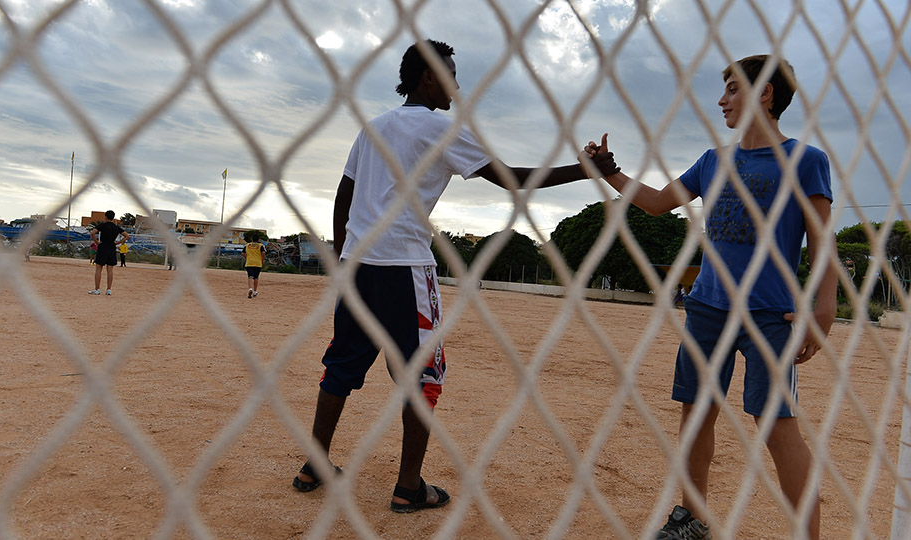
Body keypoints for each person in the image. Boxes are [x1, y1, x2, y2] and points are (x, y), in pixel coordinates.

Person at [292, 39, 610, 513]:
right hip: (405, 269)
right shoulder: (442, 130)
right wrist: (586, 169)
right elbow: (513, 179)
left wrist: (344, 257)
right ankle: (408, 487)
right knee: (422, 374)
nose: (457, 88)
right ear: (428, 77)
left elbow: (344, 195)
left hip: (359, 266)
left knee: (341, 363)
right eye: (452, 77)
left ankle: (314, 464)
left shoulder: (373, 127)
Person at [589, 55, 836, 539]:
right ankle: (692, 521)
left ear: (764, 93)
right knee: (697, 411)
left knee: (776, 423)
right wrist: (609, 172)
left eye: (731, 89)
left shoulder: (805, 161)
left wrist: (822, 310)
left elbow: (820, 241)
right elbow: (659, 203)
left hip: (769, 313)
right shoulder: (713, 161)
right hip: (708, 307)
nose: (721, 100)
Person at [88, 211, 129, 295]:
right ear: (113, 217)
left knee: (99, 268)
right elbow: (127, 236)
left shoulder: (102, 225)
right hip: (112, 247)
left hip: (103, 247)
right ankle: (109, 289)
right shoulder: (116, 227)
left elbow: (92, 233)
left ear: (106, 217)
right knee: (110, 269)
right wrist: (118, 242)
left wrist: (96, 241)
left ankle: (97, 289)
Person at [242, 231, 266, 298]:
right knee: (256, 277)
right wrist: (262, 259)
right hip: (258, 263)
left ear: (252, 239)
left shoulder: (247, 245)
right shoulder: (261, 246)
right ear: (258, 239)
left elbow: (243, 253)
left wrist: (247, 258)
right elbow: (263, 252)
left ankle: (250, 288)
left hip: (249, 263)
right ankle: (255, 291)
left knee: (250, 277)